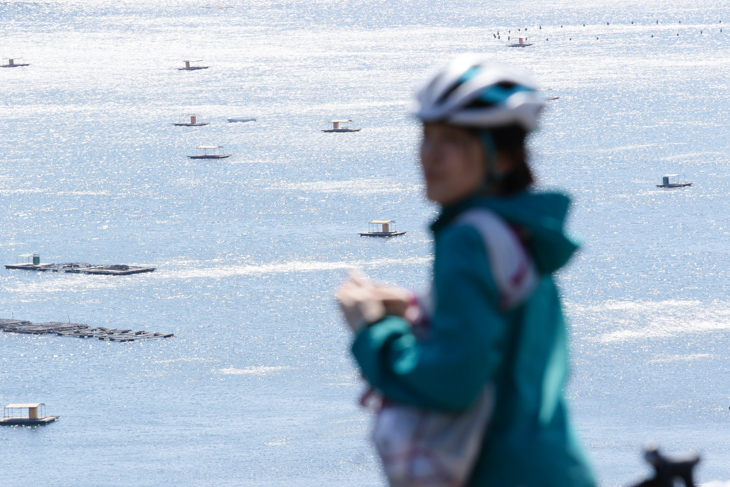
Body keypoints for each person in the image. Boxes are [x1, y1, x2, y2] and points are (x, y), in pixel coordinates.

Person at [335, 56, 596, 487]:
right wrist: (419, 307)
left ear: (505, 157)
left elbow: (453, 379)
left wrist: (372, 332)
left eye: (452, 139)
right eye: (426, 135)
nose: (429, 155)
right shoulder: (522, 232)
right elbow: (509, 343)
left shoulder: (469, 238)